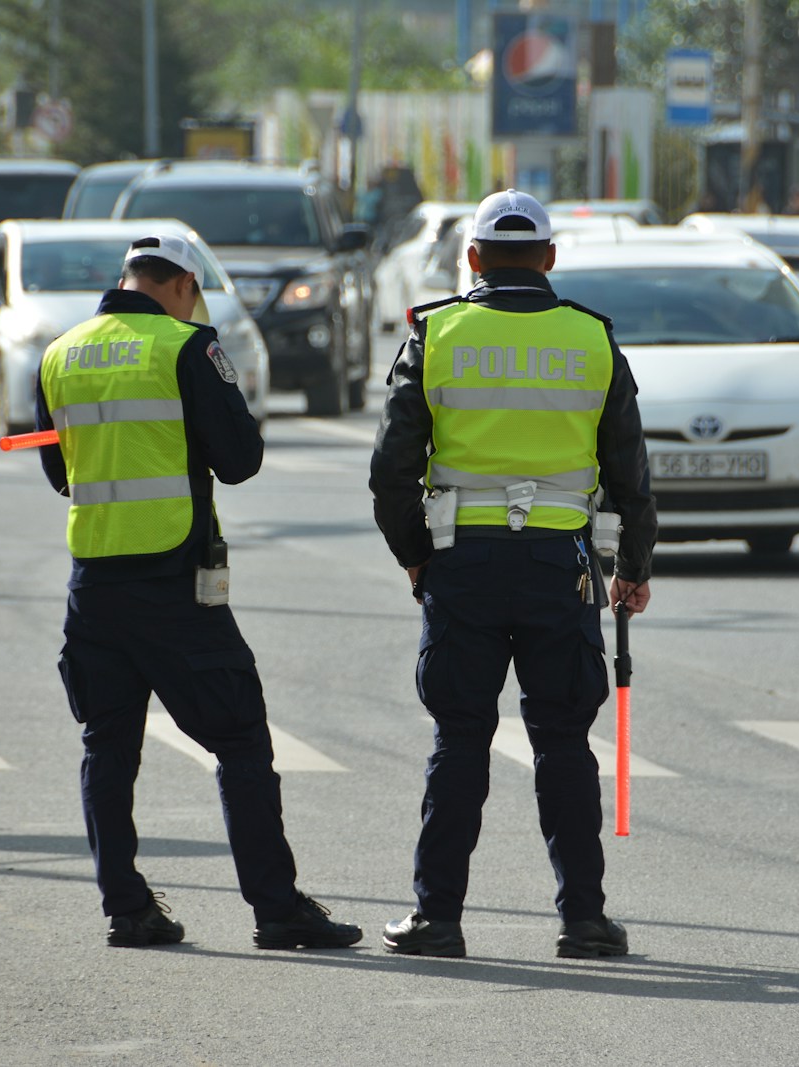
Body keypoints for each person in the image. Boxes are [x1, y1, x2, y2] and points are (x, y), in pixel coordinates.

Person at [33, 233, 361, 951]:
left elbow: (61, 473)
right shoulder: (186, 348)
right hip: (174, 582)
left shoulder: (61, 352)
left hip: (93, 582)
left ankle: (126, 907)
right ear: (182, 283)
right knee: (241, 738)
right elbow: (240, 459)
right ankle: (277, 907)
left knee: (107, 746)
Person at [368, 189, 658, 959]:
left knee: (460, 737)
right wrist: (632, 566)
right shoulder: (592, 339)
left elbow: (391, 470)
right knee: (564, 741)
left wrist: (415, 555)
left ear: (472, 258)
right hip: (558, 569)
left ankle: (437, 918)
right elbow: (631, 472)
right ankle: (584, 920)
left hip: (462, 563)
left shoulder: (438, 333)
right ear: (550, 258)